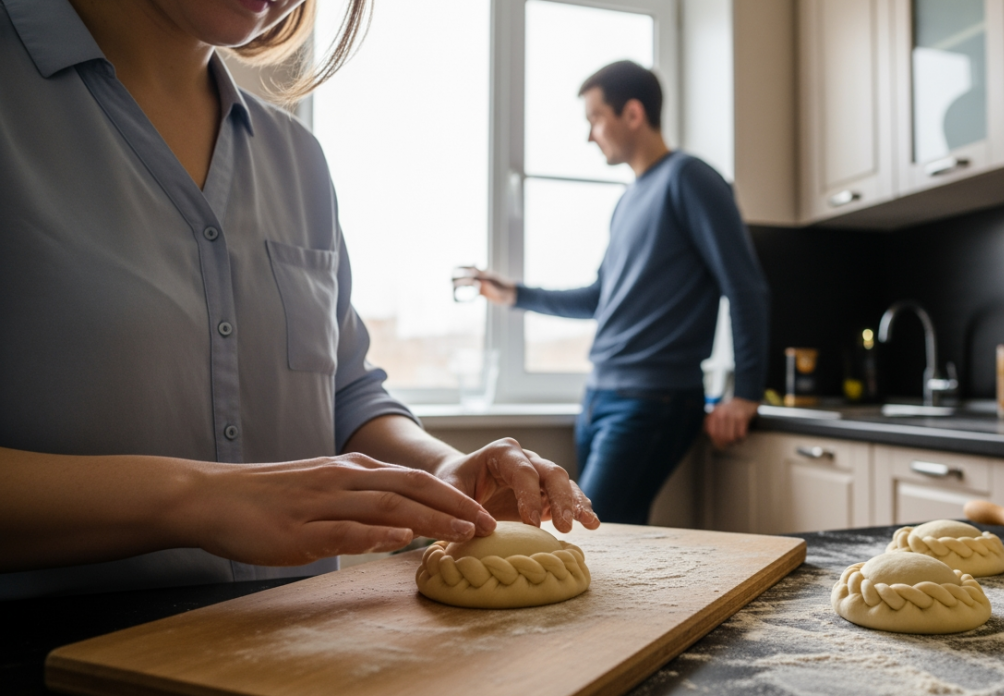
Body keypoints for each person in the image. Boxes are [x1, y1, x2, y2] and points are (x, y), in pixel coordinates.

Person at [0, 0, 597, 600]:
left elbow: (345, 393)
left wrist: (442, 470)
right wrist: (198, 500)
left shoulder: (297, 155)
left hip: (301, 637)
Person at [465, 61, 770, 525]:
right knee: (592, 533)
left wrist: (746, 392)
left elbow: (745, 285)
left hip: (651, 400)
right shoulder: (628, 200)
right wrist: (515, 295)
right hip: (599, 397)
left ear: (632, 113)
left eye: (595, 118)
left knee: (594, 534)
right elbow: (599, 298)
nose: (590, 135)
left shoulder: (690, 178)